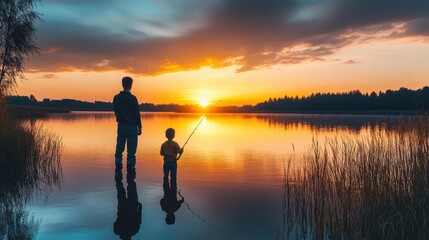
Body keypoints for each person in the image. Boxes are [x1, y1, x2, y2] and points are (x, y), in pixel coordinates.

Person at [113, 76, 142, 170]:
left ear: (122, 84)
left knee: (119, 149)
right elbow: (137, 114)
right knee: (131, 151)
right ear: (131, 85)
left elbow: (116, 111)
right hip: (132, 127)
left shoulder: (116, 98)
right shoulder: (133, 98)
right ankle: (130, 171)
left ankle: (118, 168)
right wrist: (140, 127)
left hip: (121, 126)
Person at [113, 168, 142, 239]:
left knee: (130, 184)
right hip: (124, 208)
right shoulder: (117, 231)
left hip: (129, 207)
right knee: (120, 186)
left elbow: (139, 219)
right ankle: (119, 171)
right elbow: (138, 219)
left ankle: (128, 168)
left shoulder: (134, 231)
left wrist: (140, 209)